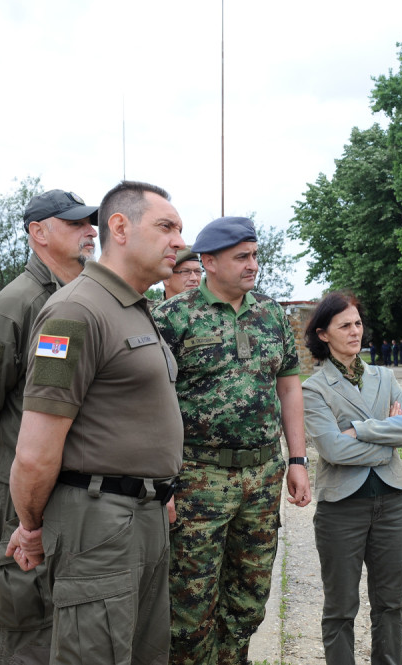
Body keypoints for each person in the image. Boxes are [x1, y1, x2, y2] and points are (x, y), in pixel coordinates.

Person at [6, 181, 186, 664]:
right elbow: (36, 448)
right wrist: (29, 525)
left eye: (180, 230)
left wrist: (157, 490)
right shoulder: (76, 310)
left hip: (144, 514)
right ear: (120, 228)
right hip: (99, 521)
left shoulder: (131, 306)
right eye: (166, 227)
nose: (179, 242)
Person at [153, 216, 311, 665]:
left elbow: (289, 386)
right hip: (196, 480)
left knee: (247, 603)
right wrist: (162, 480)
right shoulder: (172, 318)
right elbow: (150, 403)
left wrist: (297, 459)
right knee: (189, 608)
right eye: (241, 257)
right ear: (209, 262)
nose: (253, 265)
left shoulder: (271, 314)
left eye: (255, 255)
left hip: (262, 478)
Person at [0, 189, 98, 665]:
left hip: (74, 487)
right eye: (76, 223)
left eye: (90, 223)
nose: (90, 231)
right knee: (25, 619)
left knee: (70, 616)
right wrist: (1, 474)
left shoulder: (84, 297)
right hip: (23, 487)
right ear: (38, 233)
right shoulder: (13, 305)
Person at [301, 291, 402, 665]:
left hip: (392, 502)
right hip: (341, 508)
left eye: (358, 323)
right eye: (344, 325)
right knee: (340, 607)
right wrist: (386, 435)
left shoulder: (384, 376)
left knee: (390, 603)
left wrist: (358, 429)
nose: (355, 331)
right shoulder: (313, 388)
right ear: (323, 334)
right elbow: (333, 451)